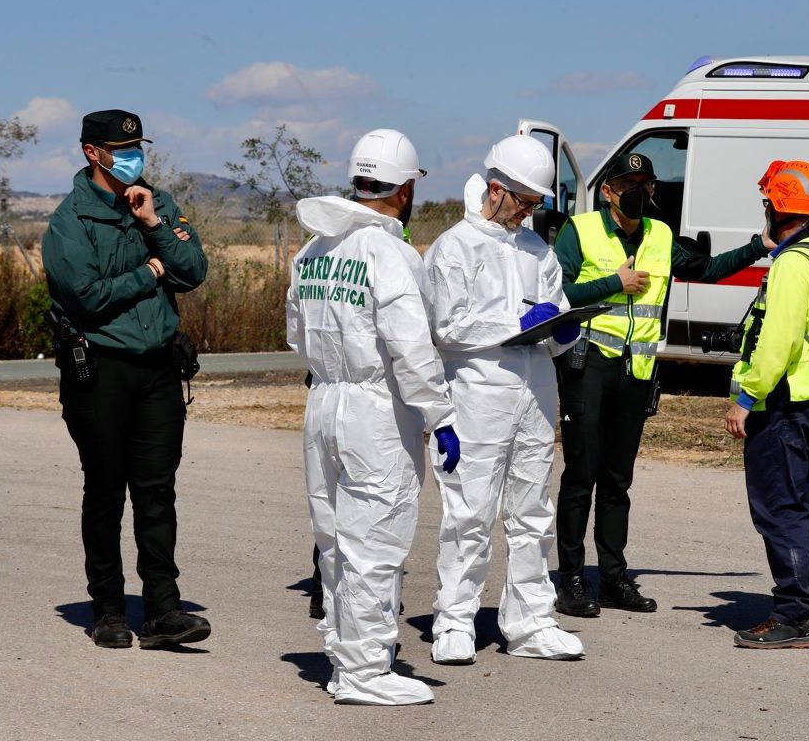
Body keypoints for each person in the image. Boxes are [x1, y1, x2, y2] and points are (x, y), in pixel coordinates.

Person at [553, 152, 774, 617]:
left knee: (617, 481)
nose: (639, 191)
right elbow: (556, 293)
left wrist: (760, 245)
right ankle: (572, 578)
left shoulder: (660, 235)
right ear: (608, 190)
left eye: (646, 183)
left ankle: (613, 578)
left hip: (635, 373)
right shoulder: (582, 231)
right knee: (580, 476)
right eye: (628, 182)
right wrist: (613, 282)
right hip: (588, 367)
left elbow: (705, 269)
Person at [286, 128, 460, 706]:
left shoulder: (313, 249)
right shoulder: (390, 252)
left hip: (324, 403)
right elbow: (410, 347)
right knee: (375, 540)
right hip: (375, 409)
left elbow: (295, 334)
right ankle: (365, 671)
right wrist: (439, 415)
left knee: (335, 537)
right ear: (405, 189)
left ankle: (347, 656)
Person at [41, 109, 210, 649]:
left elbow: (193, 271)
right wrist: (151, 272)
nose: (135, 157)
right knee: (107, 490)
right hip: (101, 372)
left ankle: (163, 611)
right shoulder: (71, 222)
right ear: (93, 152)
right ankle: (109, 609)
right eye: (122, 148)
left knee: (158, 491)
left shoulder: (157, 204)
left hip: (159, 368)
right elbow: (87, 299)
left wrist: (154, 226)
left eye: (139, 147)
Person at [422, 135, 585, 665]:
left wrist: (562, 329)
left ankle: (531, 621)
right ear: (496, 190)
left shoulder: (537, 250)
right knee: (469, 511)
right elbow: (446, 326)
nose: (530, 213)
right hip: (477, 393)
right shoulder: (455, 247)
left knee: (533, 511)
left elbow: (556, 311)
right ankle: (454, 619)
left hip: (535, 391)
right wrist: (515, 323)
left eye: (537, 204)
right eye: (524, 202)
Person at [723, 159, 809, 649]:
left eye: (768, 204)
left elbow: (778, 341)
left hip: (786, 405)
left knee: (781, 511)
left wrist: (746, 399)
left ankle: (793, 617)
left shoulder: (793, 264)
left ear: (778, 208)